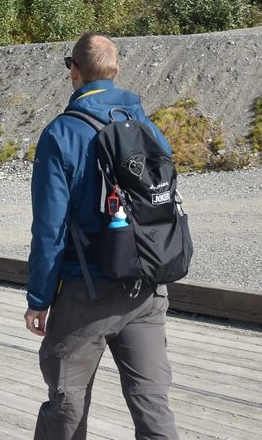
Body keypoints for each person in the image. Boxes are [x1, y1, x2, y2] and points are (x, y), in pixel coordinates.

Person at [24, 33, 178, 440]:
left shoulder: (61, 134)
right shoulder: (146, 125)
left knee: (67, 401)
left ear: (74, 71)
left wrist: (39, 298)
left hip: (86, 291)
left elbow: (50, 228)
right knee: (152, 403)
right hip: (146, 287)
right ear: (116, 70)